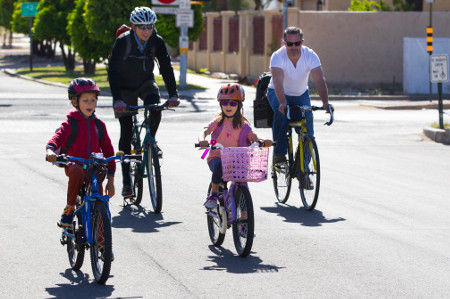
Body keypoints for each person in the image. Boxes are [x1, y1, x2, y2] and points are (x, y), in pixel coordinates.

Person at [108, 6, 180, 197]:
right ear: (133, 27)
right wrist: (117, 100)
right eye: (142, 27)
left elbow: (165, 66)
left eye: (150, 26)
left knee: (156, 108)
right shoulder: (123, 42)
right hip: (124, 88)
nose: (146, 31)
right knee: (126, 130)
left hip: (146, 83)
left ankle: (150, 143)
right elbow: (113, 72)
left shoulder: (156, 41)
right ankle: (126, 182)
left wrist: (173, 94)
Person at [46, 78, 116, 227]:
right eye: (85, 100)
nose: (90, 104)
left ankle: (102, 243)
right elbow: (56, 138)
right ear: (75, 102)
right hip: (75, 164)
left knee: (99, 201)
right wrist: (50, 150)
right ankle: (70, 207)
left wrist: (111, 182)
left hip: (94, 167)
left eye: (93, 100)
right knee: (77, 171)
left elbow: (109, 152)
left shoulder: (99, 125)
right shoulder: (70, 123)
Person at [198, 83, 272, 209]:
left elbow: (253, 137)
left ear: (239, 105)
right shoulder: (218, 121)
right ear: (220, 105)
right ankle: (213, 194)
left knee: (242, 184)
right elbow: (204, 132)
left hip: (237, 160)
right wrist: (202, 140)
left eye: (233, 103)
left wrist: (264, 141)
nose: (228, 106)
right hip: (217, 158)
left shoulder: (243, 125)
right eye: (225, 102)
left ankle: (244, 216)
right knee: (218, 167)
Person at [267, 26, 332, 164]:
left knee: (307, 126)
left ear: (302, 42)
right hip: (278, 92)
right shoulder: (278, 56)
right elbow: (278, 81)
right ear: (284, 44)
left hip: (300, 93)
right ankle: (279, 154)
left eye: (297, 43)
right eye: (290, 44)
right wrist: (283, 102)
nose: (294, 47)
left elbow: (319, 80)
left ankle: (305, 170)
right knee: (282, 113)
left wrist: (325, 102)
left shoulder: (310, 55)